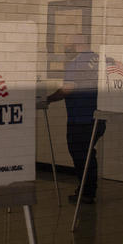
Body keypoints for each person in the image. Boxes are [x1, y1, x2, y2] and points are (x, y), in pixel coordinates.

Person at [47, 35, 105, 204]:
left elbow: (67, 89)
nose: (66, 50)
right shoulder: (99, 59)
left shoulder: (76, 64)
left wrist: (47, 99)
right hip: (98, 118)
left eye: (67, 45)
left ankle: (86, 193)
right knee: (88, 155)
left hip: (81, 120)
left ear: (77, 44)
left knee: (81, 156)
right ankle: (87, 190)